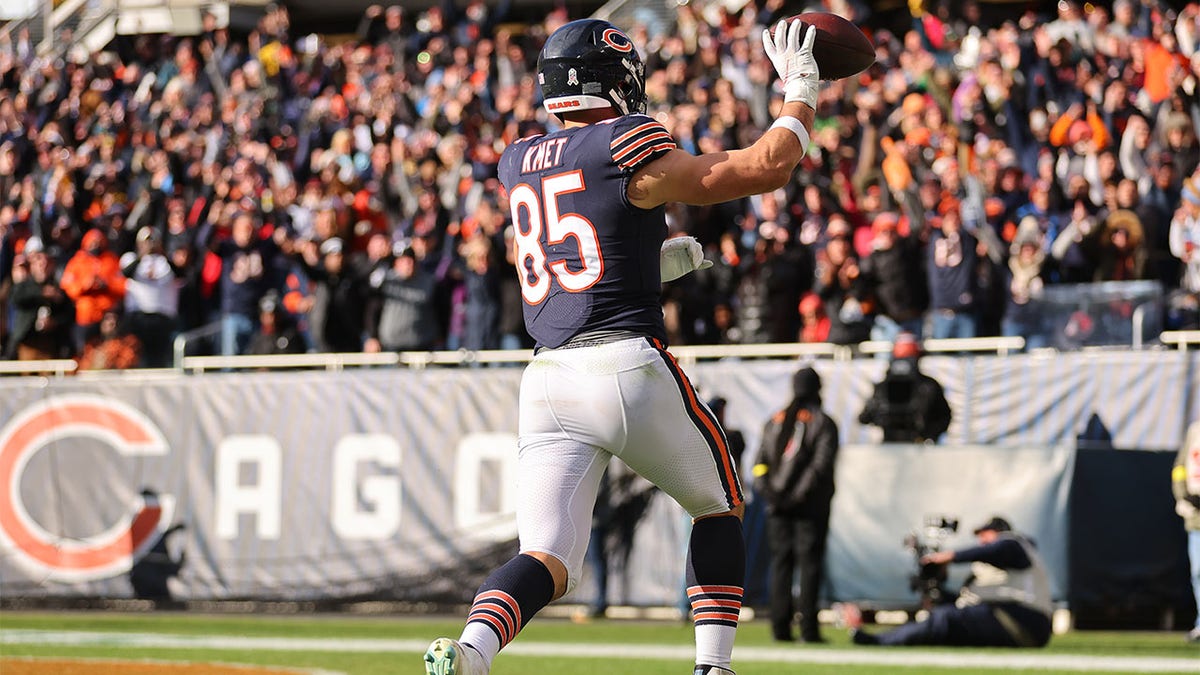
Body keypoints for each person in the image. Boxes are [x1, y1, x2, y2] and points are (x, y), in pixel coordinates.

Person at [424, 16, 823, 675]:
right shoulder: (624, 141)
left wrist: (649, 263)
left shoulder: (519, 158)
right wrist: (800, 90)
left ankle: (470, 651)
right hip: (621, 362)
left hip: (547, 379)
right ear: (615, 78)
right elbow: (764, 168)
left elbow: (569, 253)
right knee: (719, 501)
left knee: (547, 554)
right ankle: (713, 667)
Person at [839, 516, 1053, 648]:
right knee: (945, 616)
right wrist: (937, 593)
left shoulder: (1014, 544)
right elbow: (969, 604)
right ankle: (887, 638)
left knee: (945, 619)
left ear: (997, 532)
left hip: (1026, 621)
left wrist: (947, 557)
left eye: (984, 535)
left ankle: (879, 642)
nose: (981, 541)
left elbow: (997, 549)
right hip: (1012, 621)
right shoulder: (994, 573)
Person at [752, 366, 838, 643]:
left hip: (777, 507)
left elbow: (759, 465)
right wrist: (797, 496)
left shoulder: (774, 420)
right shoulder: (823, 422)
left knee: (781, 564)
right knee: (809, 565)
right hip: (809, 508)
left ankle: (780, 628)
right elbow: (819, 468)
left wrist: (771, 494)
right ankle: (809, 630)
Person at [858, 333, 952, 443]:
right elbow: (865, 417)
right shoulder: (883, 387)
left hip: (918, 444)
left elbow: (944, 417)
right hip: (890, 445)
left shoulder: (928, 386)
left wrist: (929, 436)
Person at [1172, 422, 1200, 643]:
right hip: (1196, 517)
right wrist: (1183, 494)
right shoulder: (1194, 431)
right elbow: (1180, 467)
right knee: (1198, 572)